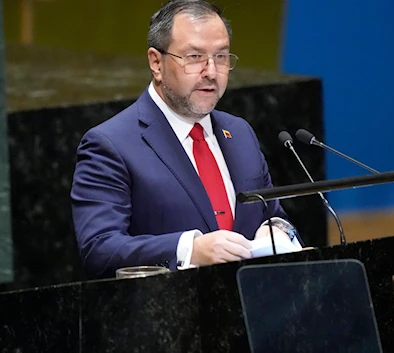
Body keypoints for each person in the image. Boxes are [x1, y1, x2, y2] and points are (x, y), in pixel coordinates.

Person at [70, 0, 300, 279]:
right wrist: (189, 249)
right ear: (156, 63)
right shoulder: (110, 144)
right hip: (171, 314)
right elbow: (100, 248)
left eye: (221, 57)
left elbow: (273, 215)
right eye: (194, 57)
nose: (211, 72)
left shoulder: (239, 133)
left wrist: (277, 229)